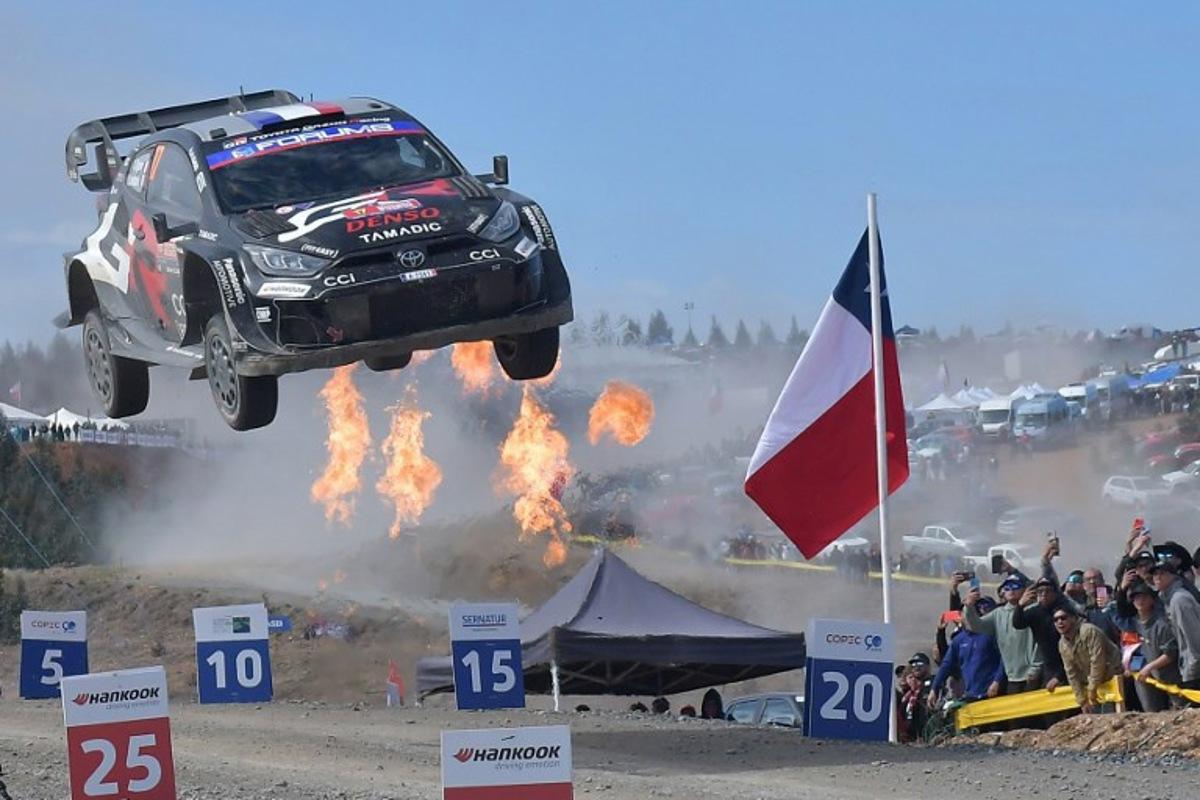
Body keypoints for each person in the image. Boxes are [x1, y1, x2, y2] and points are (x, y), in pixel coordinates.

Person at [962, 574, 1043, 693]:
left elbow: (1042, 642)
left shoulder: (1035, 609)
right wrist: (969, 607)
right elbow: (976, 626)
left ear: (1025, 589)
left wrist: (1035, 668)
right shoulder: (998, 614)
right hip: (1012, 677)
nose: (1011, 590)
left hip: (1034, 675)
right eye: (1007, 587)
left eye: (1015, 586)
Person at [929, 596, 1005, 708]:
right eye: (963, 613)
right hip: (971, 694)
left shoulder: (990, 634)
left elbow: (1005, 659)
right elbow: (946, 664)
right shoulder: (959, 640)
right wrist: (934, 688)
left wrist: (997, 681)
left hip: (992, 692)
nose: (965, 616)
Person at [1124, 581, 1183, 712]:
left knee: (1179, 710)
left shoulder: (1162, 624)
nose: (1140, 601)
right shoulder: (1133, 624)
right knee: (1151, 712)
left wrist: (1150, 667)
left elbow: (1170, 654)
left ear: (1152, 600)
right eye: (1136, 598)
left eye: (1144, 597)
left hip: (1170, 676)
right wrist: (1132, 667)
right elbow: (1133, 649)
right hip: (1146, 677)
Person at [1149, 556, 1200, 699]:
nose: (1157, 577)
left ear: (1173, 575)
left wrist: (1191, 672)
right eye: (1155, 574)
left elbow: (1194, 640)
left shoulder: (1179, 600)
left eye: (1162, 573)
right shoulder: (1168, 599)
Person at [1056, 608, 1122, 713]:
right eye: (1056, 620)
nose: (1059, 622)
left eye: (1063, 618)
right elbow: (1071, 673)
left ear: (1073, 618)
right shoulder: (1062, 644)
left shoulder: (1088, 631)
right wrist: (1082, 700)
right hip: (1094, 683)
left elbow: (1098, 661)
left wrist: (1092, 688)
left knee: (1112, 717)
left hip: (1111, 679)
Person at [1011, 577, 1072, 690]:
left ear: (1054, 593)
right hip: (1049, 665)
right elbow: (1018, 624)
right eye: (1040, 591)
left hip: (1069, 663)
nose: (1044, 594)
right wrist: (1020, 605)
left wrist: (1059, 677)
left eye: (1047, 590)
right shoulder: (1035, 612)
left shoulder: (1064, 610)